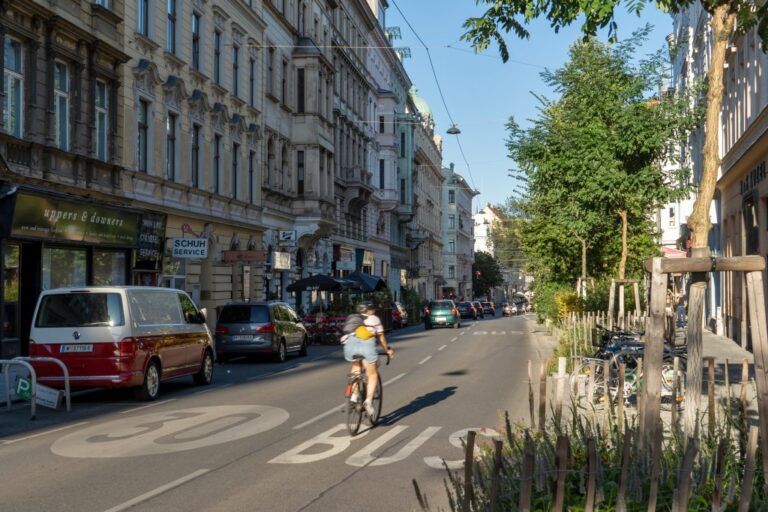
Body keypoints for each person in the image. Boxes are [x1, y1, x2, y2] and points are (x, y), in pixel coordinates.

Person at [342, 302, 394, 417]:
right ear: (369, 310)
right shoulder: (374, 319)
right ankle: (368, 401)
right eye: (373, 309)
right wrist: (388, 350)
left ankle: (354, 396)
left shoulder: (352, 318)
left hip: (350, 347)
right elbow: (381, 337)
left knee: (356, 367)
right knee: (372, 374)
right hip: (367, 347)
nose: (374, 311)